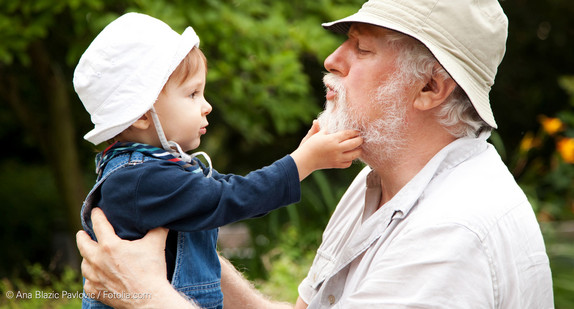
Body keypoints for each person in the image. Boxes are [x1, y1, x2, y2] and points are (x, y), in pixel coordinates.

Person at [76, 0, 555, 308]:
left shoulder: (451, 236)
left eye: (361, 47)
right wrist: (186, 254)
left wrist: (149, 296)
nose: (332, 59)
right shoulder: (378, 185)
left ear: (430, 87)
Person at [73, 12, 363, 309]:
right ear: (144, 114)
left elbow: (235, 191)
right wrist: (303, 162)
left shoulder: (162, 167)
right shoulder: (139, 180)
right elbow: (229, 198)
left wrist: (300, 158)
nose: (207, 106)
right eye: (192, 94)